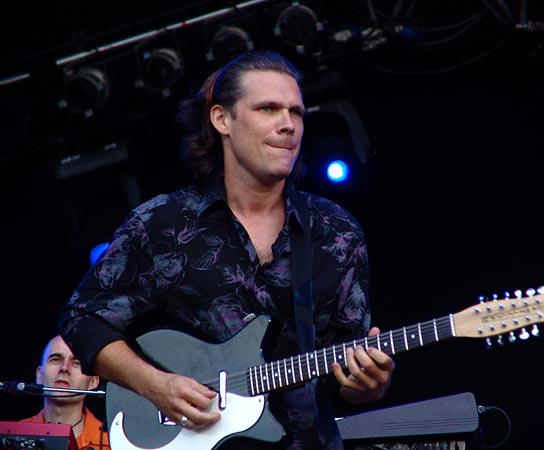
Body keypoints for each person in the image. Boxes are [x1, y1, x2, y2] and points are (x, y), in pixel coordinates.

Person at [57, 49, 395, 449]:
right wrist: (154, 385)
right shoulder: (163, 224)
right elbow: (82, 318)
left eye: (296, 112)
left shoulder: (337, 231)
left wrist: (367, 386)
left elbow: (345, 374)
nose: (288, 124)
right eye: (268, 109)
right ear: (222, 119)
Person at [20, 335, 110, 450]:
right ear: (39, 375)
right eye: (56, 360)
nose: (64, 368)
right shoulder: (15, 436)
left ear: (93, 382)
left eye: (76, 363)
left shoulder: (111, 443)